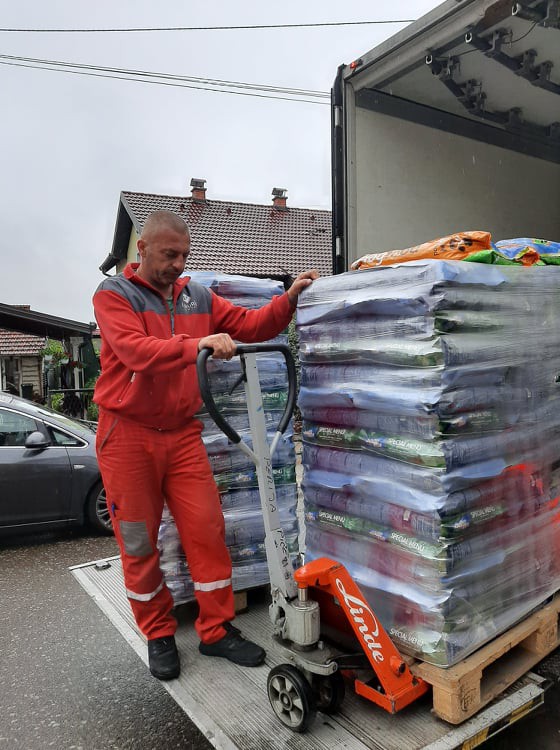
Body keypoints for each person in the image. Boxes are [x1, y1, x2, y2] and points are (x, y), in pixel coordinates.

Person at [93, 209, 318, 681]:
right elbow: (134, 350)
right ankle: (158, 633)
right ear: (142, 249)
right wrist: (195, 345)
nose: (177, 264)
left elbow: (251, 325)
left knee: (207, 529)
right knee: (138, 541)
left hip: (181, 434)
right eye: (168, 254)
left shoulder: (197, 296)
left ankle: (215, 631)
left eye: (184, 256)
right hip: (127, 436)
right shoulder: (114, 295)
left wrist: (289, 301)